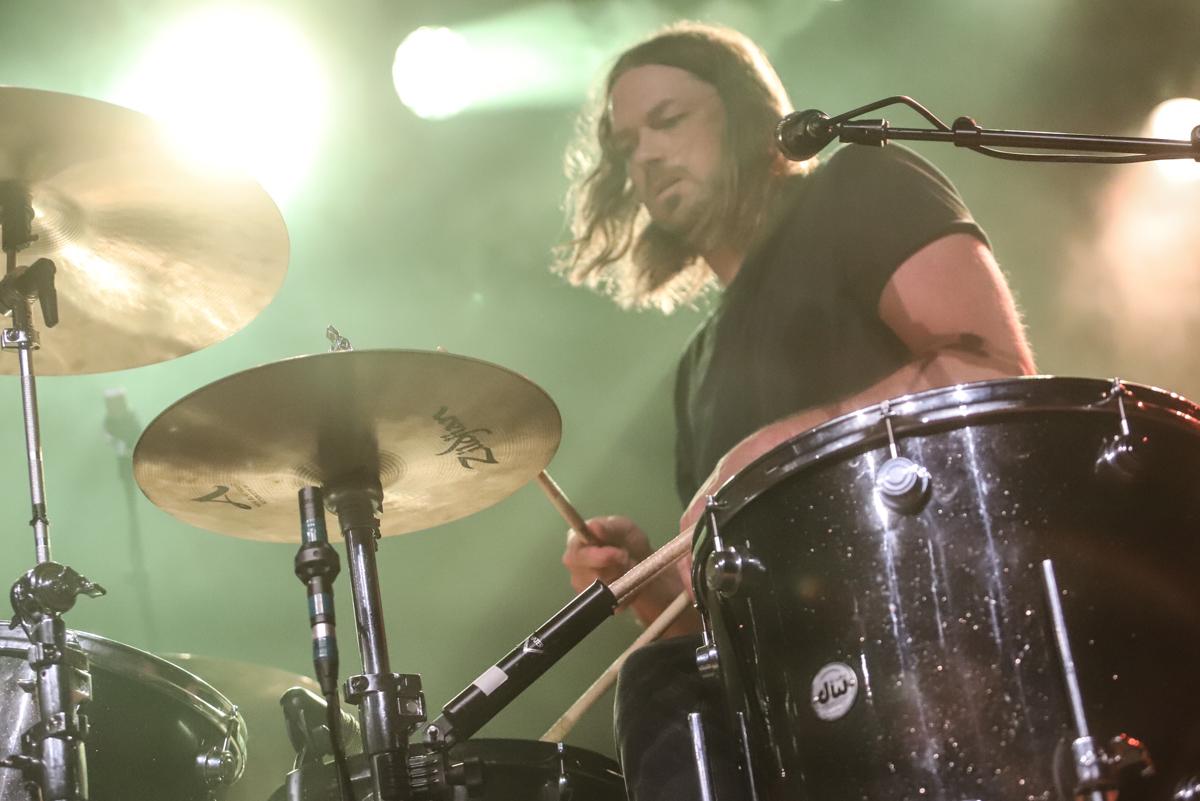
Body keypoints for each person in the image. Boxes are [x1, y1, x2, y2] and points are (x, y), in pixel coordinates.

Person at [554, 21, 1036, 801]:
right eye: (626, 144)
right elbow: (732, 632)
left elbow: (993, 371)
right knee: (661, 680)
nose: (644, 157)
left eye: (668, 120)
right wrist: (654, 590)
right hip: (813, 724)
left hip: (953, 639)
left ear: (748, 112)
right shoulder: (696, 371)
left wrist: (787, 447)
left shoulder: (861, 186)